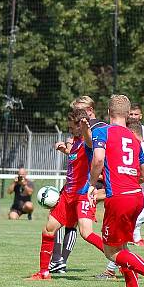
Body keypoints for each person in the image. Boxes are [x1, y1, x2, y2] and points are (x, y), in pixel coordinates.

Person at [88, 94, 144, 287]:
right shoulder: (134, 138)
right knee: (122, 245)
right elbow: (143, 174)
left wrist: (91, 184)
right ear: (127, 115)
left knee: (110, 251)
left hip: (120, 198)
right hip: (136, 196)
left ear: (108, 112)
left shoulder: (102, 131)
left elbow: (98, 159)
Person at [27, 108, 105, 280]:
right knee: (48, 229)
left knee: (87, 234)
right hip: (67, 194)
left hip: (82, 194)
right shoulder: (76, 142)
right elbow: (76, 158)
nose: (70, 130)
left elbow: (89, 142)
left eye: (72, 127)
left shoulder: (87, 141)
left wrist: (85, 128)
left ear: (81, 126)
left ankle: (120, 261)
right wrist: (65, 150)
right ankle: (43, 273)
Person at [48, 95, 108, 272]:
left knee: (84, 231)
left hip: (88, 186)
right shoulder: (76, 137)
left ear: (89, 111)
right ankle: (56, 262)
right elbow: (79, 154)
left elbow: (92, 151)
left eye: (79, 111)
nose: (77, 115)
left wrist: (95, 184)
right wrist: (66, 149)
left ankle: (118, 258)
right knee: (60, 223)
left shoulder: (98, 129)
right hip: (74, 186)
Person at [98, 117, 144, 278]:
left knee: (116, 245)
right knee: (122, 241)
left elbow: (136, 175)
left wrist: (101, 190)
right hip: (137, 195)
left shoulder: (141, 148)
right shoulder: (143, 147)